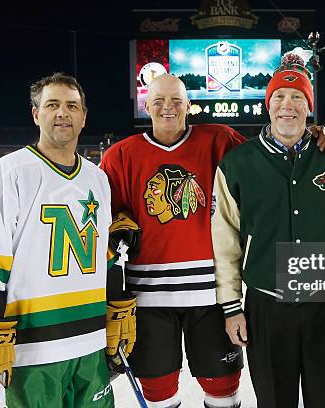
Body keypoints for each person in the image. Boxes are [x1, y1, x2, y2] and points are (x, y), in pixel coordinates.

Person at [0, 73, 136, 407]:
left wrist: (115, 303)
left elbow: (103, 255)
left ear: (84, 116)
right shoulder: (10, 172)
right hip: (33, 351)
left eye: (71, 105)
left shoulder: (98, 179)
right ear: (36, 114)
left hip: (91, 346)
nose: (62, 113)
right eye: (52, 105)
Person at [100, 74, 248, 408]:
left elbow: (266, 159)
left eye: (176, 100)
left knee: (222, 388)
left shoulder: (220, 139)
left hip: (212, 294)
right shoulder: (119, 156)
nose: (168, 108)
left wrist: (307, 138)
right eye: (159, 101)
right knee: (159, 392)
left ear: (188, 105)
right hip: (147, 299)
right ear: (146, 106)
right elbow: (102, 220)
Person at [211, 55, 325, 408]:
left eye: (297, 97)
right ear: (267, 104)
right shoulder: (237, 164)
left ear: (309, 107)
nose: (287, 106)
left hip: (323, 304)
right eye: (279, 97)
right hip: (266, 304)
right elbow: (225, 242)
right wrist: (230, 307)